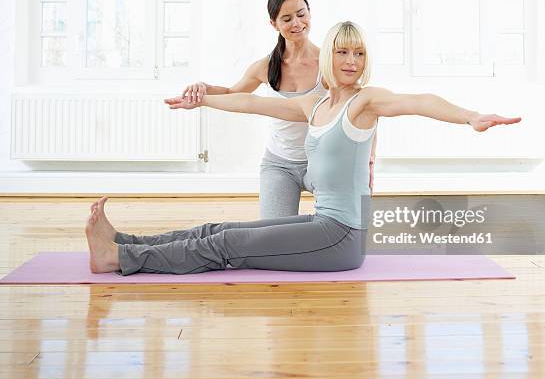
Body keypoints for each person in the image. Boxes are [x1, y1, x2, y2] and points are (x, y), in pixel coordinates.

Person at [85, 21, 521, 275]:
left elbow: (420, 101)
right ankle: (124, 241)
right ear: (329, 56)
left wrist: (469, 116)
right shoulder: (316, 105)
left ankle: (118, 259)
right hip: (322, 225)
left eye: (360, 54)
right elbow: (253, 102)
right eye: (344, 52)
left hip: (341, 239)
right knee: (218, 229)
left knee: (227, 246)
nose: (352, 61)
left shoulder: (364, 102)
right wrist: (202, 100)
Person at [180, 0, 375, 219]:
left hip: (322, 161)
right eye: (287, 18)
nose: (297, 23)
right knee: (273, 237)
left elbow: (363, 106)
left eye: (302, 14)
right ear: (274, 24)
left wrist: (369, 160)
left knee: (339, 226)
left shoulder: (330, 61)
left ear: (310, 14)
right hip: (279, 164)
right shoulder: (265, 66)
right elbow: (234, 94)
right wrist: (204, 90)